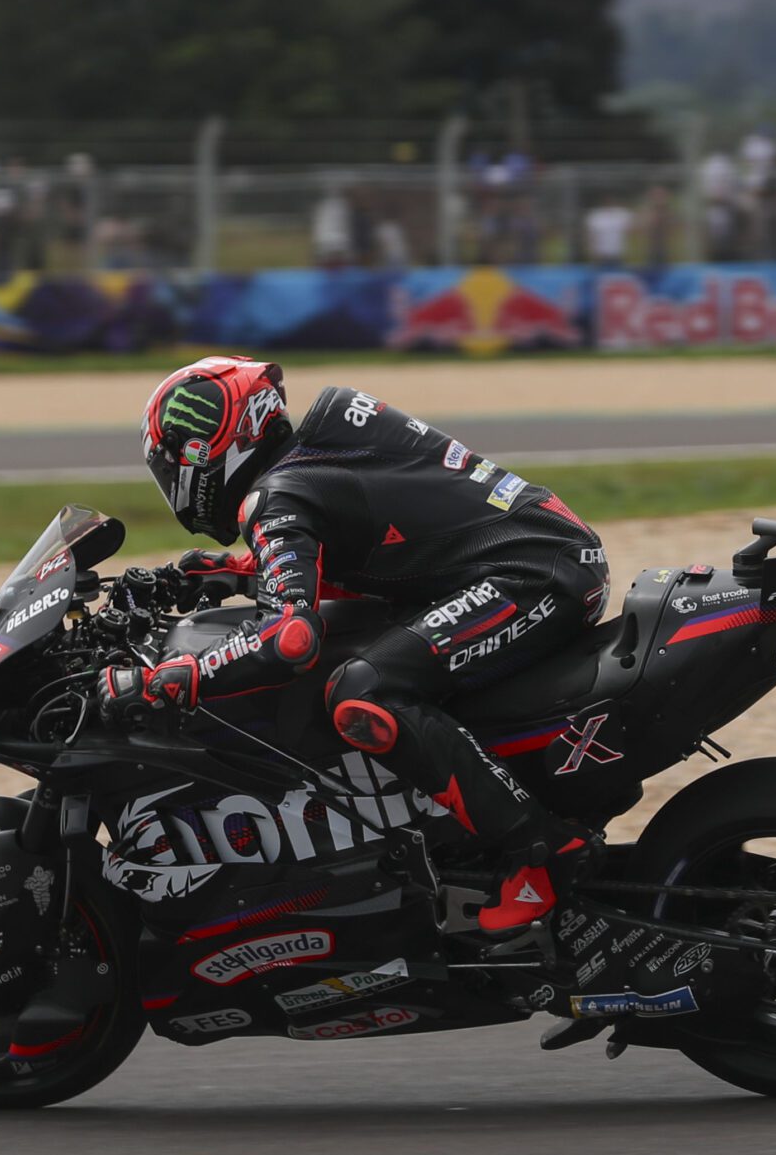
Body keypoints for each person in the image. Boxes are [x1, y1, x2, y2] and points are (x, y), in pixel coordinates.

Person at [105, 357, 609, 937]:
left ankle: (542, 849)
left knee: (362, 692)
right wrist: (229, 571)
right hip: (541, 556)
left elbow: (289, 638)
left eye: (175, 463)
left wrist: (173, 679)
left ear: (213, 446)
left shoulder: (278, 493)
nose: (175, 480)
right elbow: (371, 539)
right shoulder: (313, 456)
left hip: (533, 576)